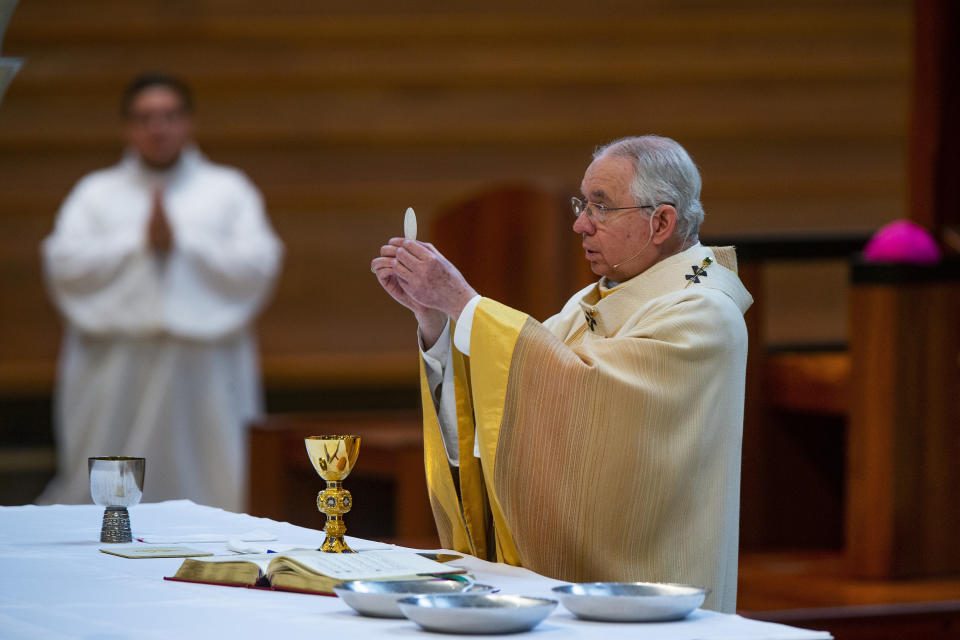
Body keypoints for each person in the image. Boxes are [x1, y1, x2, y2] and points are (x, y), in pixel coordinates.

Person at [372, 135, 752, 612]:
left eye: (600, 207)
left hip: (650, 600)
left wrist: (464, 303)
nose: (579, 225)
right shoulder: (592, 302)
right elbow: (502, 401)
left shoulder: (702, 314)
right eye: (582, 204)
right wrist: (434, 318)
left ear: (661, 222)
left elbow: (586, 401)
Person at [36, 73, 283, 512]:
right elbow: (64, 263)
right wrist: (138, 247)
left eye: (169, 116)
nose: (158, 128)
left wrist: (183, 248)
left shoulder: (228, 189)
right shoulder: (95, 193)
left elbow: (258, 262)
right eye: (145, 118)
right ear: (127, 127)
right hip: (117, 364)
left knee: (211, 489)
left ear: (188, 123)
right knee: (111, 488)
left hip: (203, 369)